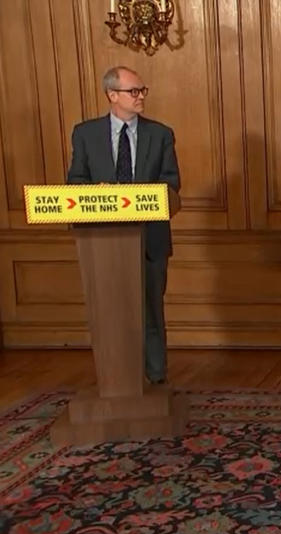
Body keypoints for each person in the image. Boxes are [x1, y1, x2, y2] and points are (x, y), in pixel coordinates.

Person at [67, 66, 181, 384]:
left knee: (150, 310)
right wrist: (102, 195)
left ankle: (156, 376)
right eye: (134, 91)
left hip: (150, 240)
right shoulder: (85, 134)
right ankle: (116, 380)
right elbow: (76, 181)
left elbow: (171, 183)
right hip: (101, 242)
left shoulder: (160, 134)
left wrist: (139, 199)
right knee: (110, 312)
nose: (141, 96)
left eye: (143, 90)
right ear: (112, 95)